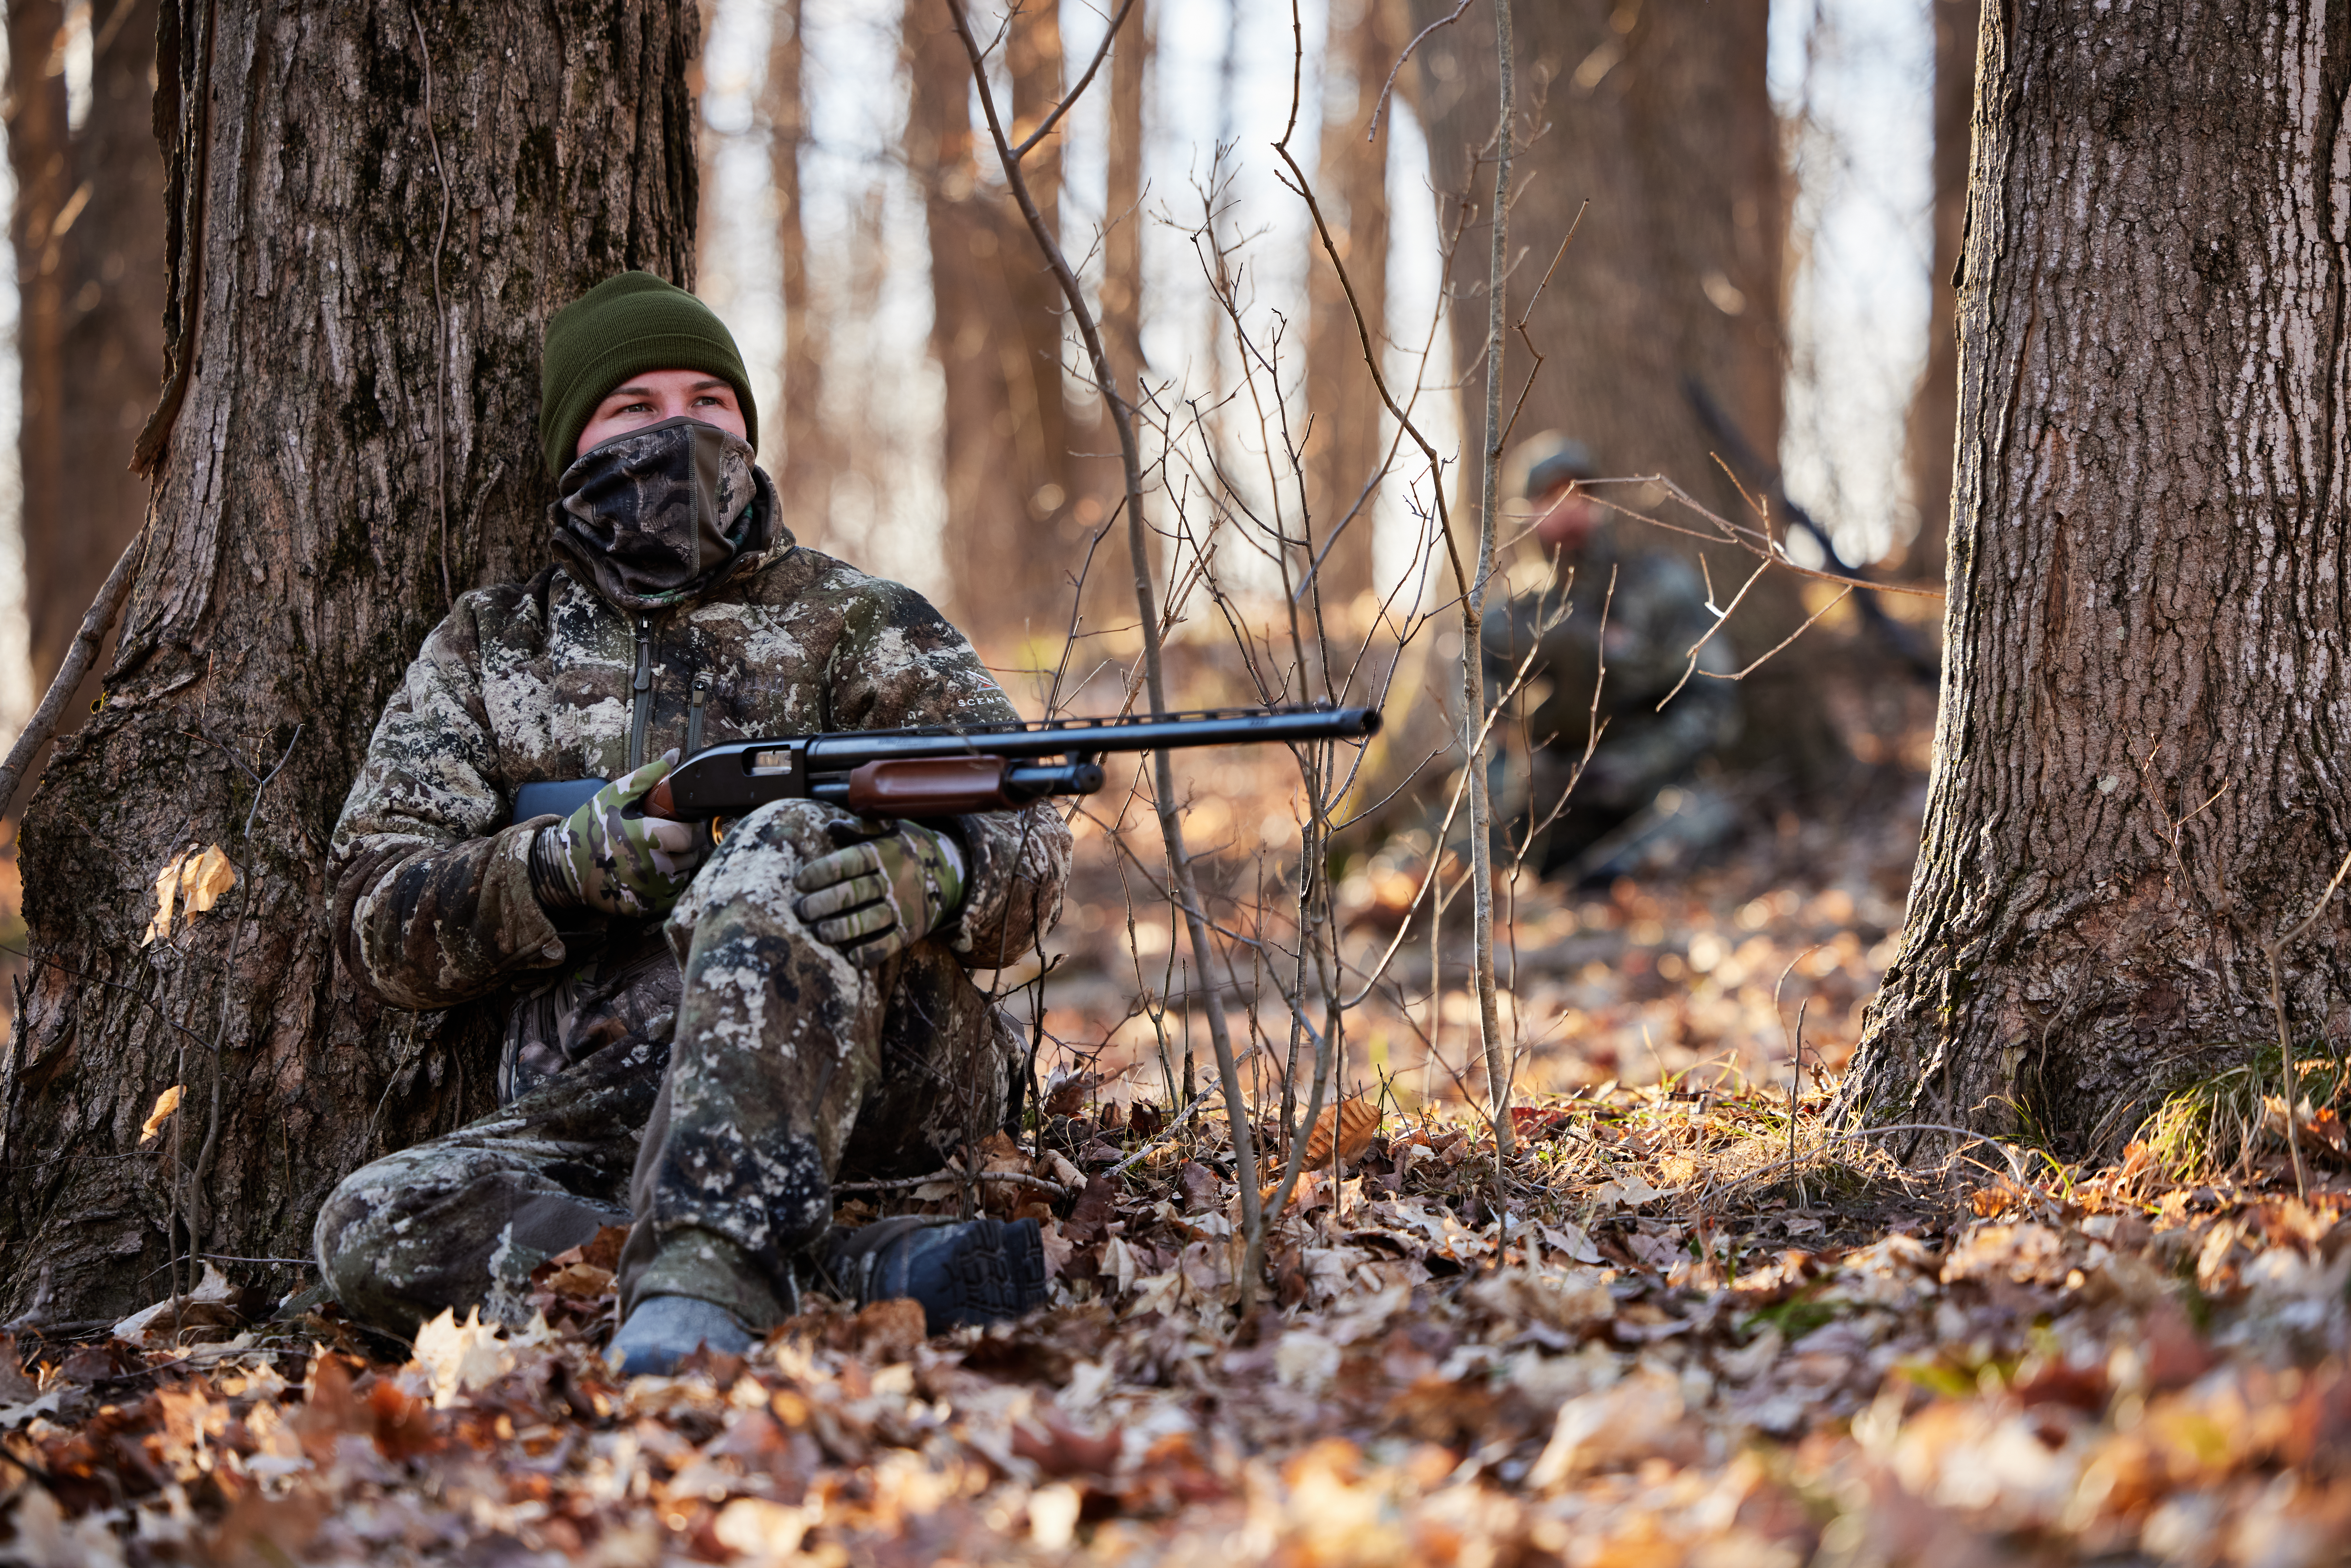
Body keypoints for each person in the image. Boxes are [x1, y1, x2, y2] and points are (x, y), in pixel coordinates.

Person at [315, 272, 1069, 1373]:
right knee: (371, 1223)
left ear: (749, 430)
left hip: (870, 1065)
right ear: (572, 441)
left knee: (782, 836)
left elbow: (1031, 818)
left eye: (711, 401)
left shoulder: (859, 619)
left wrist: (946, 870)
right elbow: (373, 916)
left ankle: (703, 1302)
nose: (680, 428)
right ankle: (846, 1276)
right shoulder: (486, 649)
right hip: (613, 1105)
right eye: (634, 406)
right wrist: (557, 867)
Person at [1483, 433, 1742, 882]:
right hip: (1543, 805)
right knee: (1451, 845)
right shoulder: (1505, 618)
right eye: (1551, 496)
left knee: (1705, 816)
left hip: (1645, 792)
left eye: (1581, 493)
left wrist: (1638, 764)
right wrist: (1530, 777)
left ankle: (1602, 881)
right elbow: (1478, 729)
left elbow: (1715, 703)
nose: (1569, 508)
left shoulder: (1659, 585)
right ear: (1526, 511)